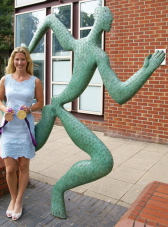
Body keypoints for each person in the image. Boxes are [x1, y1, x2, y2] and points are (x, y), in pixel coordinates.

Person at [25, 6, 165, 219]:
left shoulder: (83, 47)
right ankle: (57, 190)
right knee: (102, 160)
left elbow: (50, 20)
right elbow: (119, 94)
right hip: (57, 108)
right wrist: (147, 71)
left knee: (33, 144)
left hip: (56, 107)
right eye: (109, 18)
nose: (111, 22)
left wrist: (26, 50)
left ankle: (54, 188)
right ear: (101, 20)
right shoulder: (95, 52)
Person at [0, 46, 44, 220]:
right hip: (9, 127)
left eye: (23, 59)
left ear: (27, 61)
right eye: (17, 59)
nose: (20, 62)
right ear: (12, 61)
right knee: (9, 169)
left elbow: (40, 103)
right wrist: (4, 109)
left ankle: (19, 200)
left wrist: (30, 109)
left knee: (23, 167)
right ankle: (13, 198)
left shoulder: (35, 81)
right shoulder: (5, 79)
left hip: (24, 128)